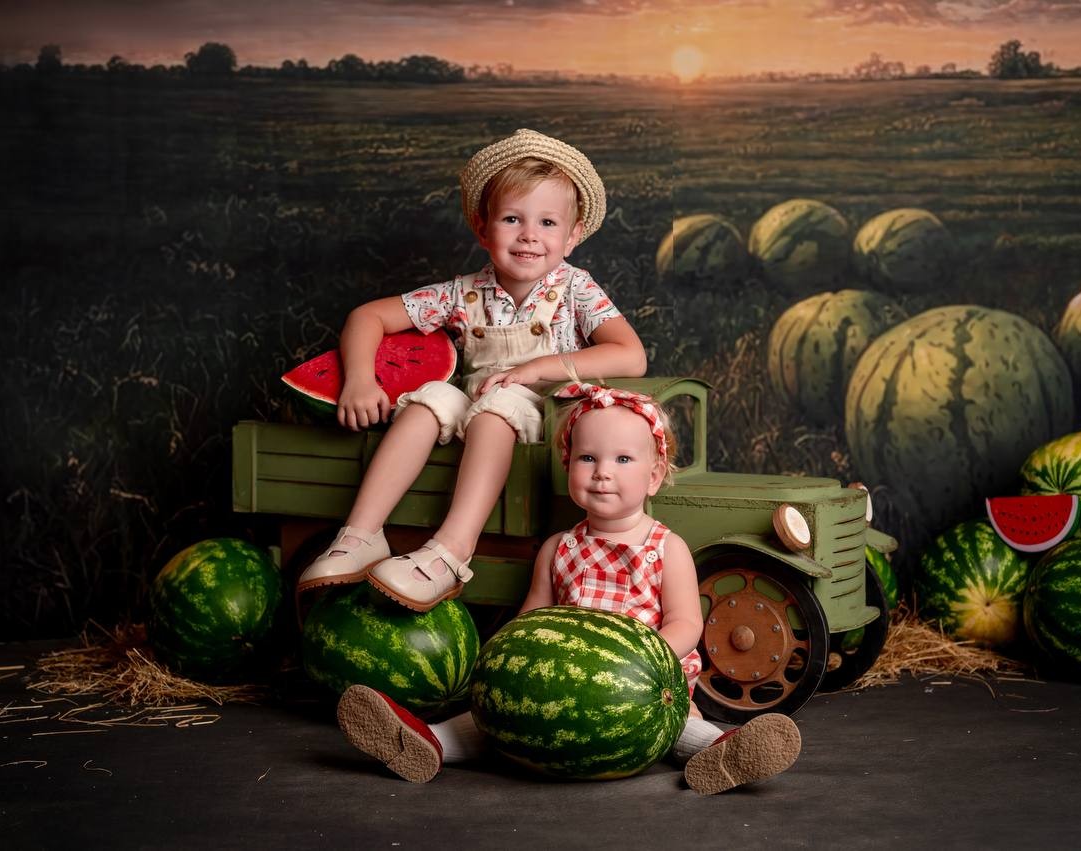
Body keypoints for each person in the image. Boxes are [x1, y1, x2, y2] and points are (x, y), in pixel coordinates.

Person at [335, 383, 802, 795]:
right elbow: (534, 614)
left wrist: (640, 660)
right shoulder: (559, 548)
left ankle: (724, 752)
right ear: (567, 467)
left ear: (654, 475)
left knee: (678, 727)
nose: (603, 471)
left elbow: (687, 623)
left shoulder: (666, 547)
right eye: (587, 458)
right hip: (555, 682)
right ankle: (425, 741)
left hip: (640, 685)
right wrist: (502, 661)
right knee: (496, 719)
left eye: (623, 459)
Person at [296, 129, 647, 613]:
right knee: (426, 403)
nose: (529, 234)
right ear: (483, 229)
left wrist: (537, 368)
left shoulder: (575, 289)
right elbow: (367, 317)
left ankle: (450, 553)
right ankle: (361, 535)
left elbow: (630, 355)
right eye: (511, 219)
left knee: (494, 410)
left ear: (572, 236)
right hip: (476, 396)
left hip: (549, 414)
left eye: (547, 222)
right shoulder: (461, 292)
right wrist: (360, 378)